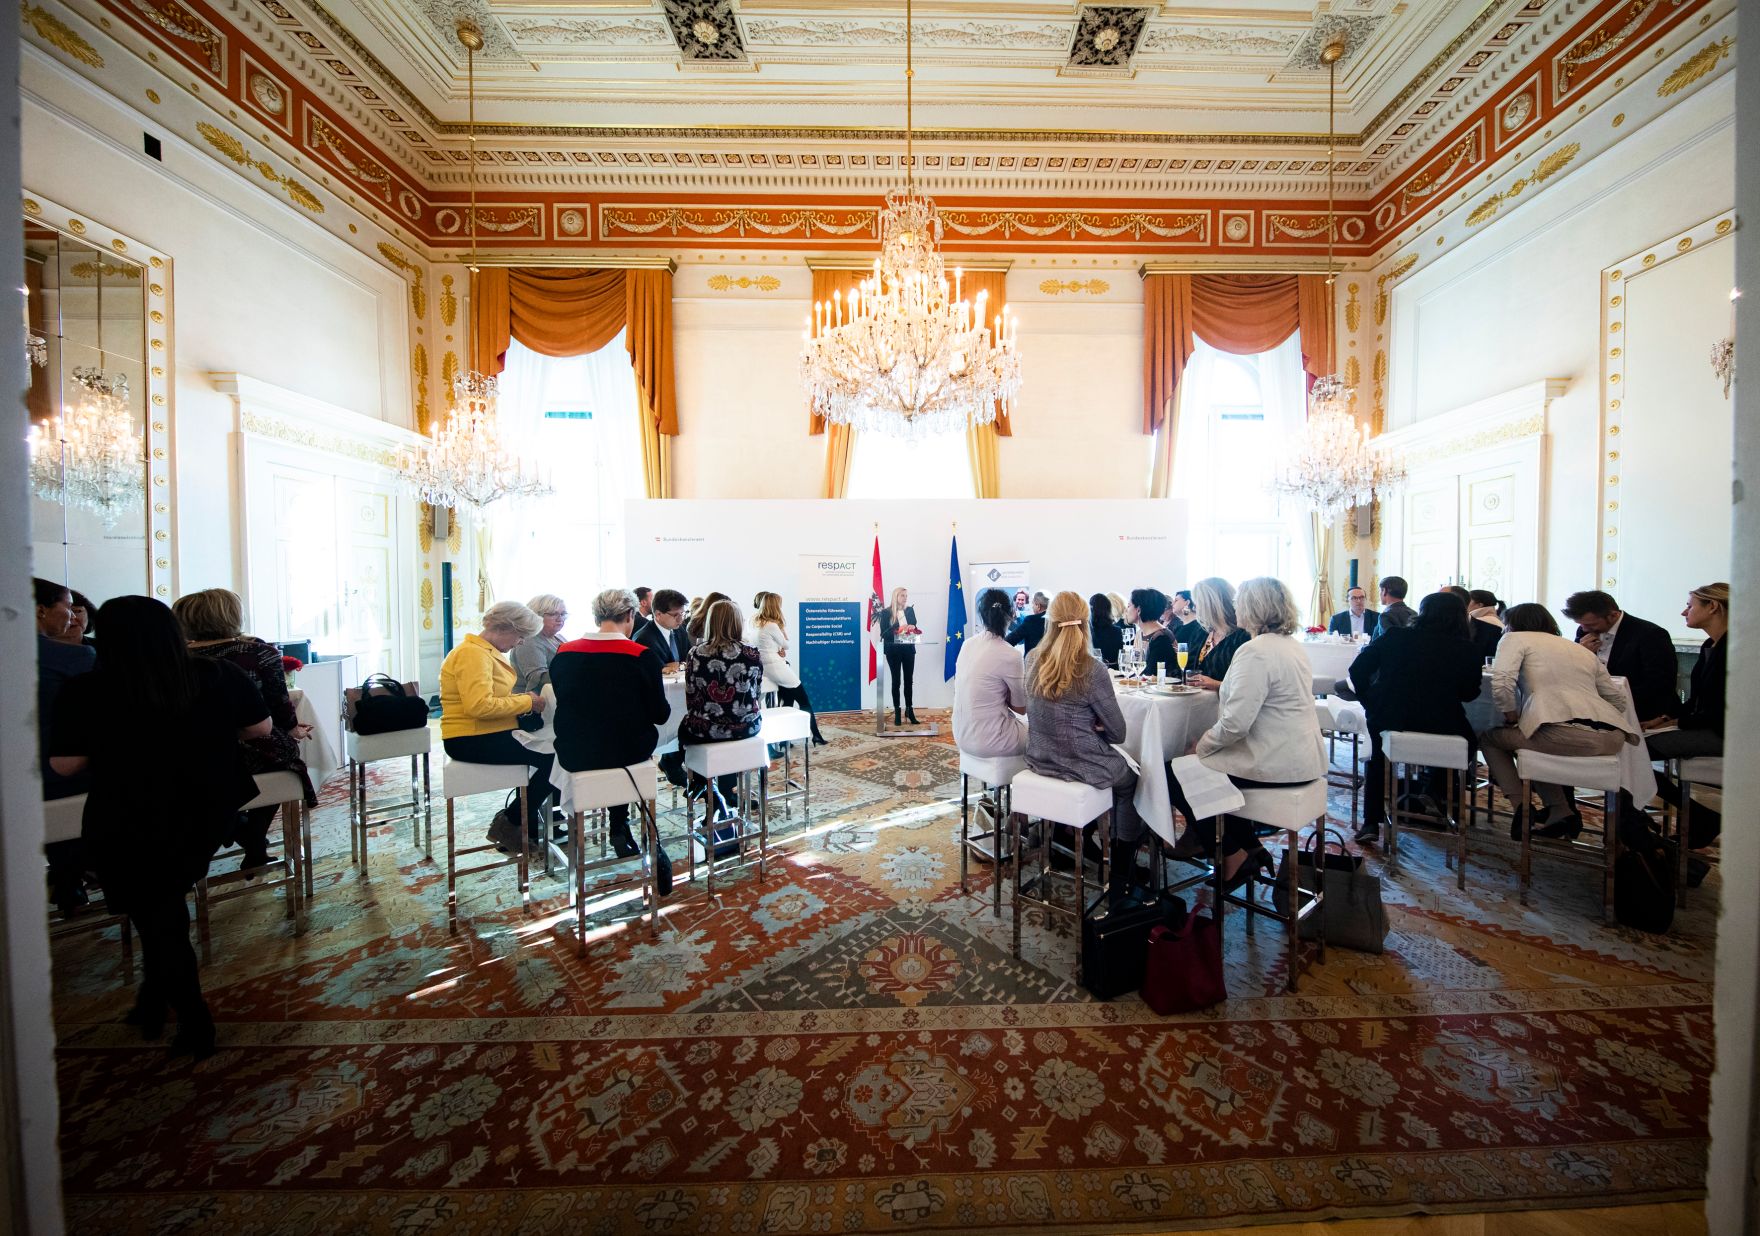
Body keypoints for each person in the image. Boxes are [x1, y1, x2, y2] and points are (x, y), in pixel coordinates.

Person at [50, 596, 273, 1059]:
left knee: (159, 916)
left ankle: (194, 1021)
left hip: (130, 815)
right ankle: (153, 998)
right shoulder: (216, 675)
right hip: (206, 811)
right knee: (159, 909)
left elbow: (66, 764)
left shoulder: (88, 690)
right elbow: (261, 729)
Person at [1177, 578, 1327, 887]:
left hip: (1275, 762)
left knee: (1176, 770)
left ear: (1252, 608)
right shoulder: (1291, 646)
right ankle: (1252, 847)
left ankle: (1232, 853)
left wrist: (1200, 746)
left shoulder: (1255, 652)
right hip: (1302, 757)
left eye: (1239, 603)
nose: (1235, 607)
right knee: (1205, 771)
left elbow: (1235, 724)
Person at [173, 588, 318, 870]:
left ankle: (241, 830)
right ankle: (251, 832)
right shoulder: (256, 652)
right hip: (246, 750)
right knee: (284, 754)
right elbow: (278, 703)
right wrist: (291, 730)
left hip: (190, 753)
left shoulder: (175, 657)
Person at [1025, 592, 1147, 907]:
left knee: (1119, 777)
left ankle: (1069, 836)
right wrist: (1096, 725)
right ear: (1086, 621)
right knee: (1132, 782)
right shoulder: (1091, 669)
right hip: (1081, 762)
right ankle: (1122, 868)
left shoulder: (1032, 659)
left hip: (1040, 758)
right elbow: (1119, 733)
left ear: (1048, 621)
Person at [1478, 603, 1638, 839]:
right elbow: (1617, 698)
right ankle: (1560, 811)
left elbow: (1502, 683)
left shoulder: (1514, 639)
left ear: (1511, 625)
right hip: (1611, 737)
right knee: (1530, 738)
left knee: (1490, 738)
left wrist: (1510, 714)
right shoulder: (1578, 649)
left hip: (1567, 735)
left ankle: (1521, 807)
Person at [551, 588, 673, 889]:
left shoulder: (564, 653)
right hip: (628, 752)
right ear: (631, 616)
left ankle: (611, 825)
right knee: (633, 738)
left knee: (607, 735)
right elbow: (660, 714)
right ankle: (621, 823)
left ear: (596, 616)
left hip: (576, 752)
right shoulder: (641, 656)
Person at [1344, 592, 1484, 845]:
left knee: (1377, 756)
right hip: (1442, 720)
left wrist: (1369, 700)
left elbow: (1357, 670)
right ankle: (1436, 790)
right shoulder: (1468, 650)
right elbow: (1469, 693)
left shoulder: (1397, 636)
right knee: (1471, 742)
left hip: (1392, 715)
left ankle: (1371, 822)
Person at [439, 600, 553, 849]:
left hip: (485, 732)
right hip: (470, 738)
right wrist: (525, 702)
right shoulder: (472, 654)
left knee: (552, 752)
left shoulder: (481, 652)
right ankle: (512, 822)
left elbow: (491, 698)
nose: (519, 643)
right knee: (555, 759)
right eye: (520, 636)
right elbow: (479, 706)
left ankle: (525, 822)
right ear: (506, 629)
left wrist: (522, 701)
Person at [1641, 582, 1728, 856]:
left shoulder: (1732, 648)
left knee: (1634, 751)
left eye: (1690, 605)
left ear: (1712, 606)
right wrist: (1665, 719)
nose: (1684, 612)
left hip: (1723, 732)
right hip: (1708, 726)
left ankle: (1698, 815)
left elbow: (1721, 710)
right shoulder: (1710, 645)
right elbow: (1695, 701)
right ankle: (1697, 814)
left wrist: (1678, 724)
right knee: (1633, 747)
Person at [36, 578, 96, 913]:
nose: (73, 617)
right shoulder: (72, 657)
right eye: (67, 607)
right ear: (41, 610)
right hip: (57, 779)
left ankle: (68, 876)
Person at [680, 599, 765, 817]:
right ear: (738, 623)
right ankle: (724, 789)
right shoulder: (751, 653)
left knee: (684, 732)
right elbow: (756, 692)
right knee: (726, 742)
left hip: (708, 730)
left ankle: (704, 785)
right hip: (748, 727)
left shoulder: (696, 653)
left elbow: (691, 698)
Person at [1562, 589, 1680, 725]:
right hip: (1594, 707)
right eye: (1580, 624)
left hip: (1640, 710)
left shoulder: (1650, 634)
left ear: (1613, 615)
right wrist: (1581, 654)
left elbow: (1660, 683)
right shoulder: (1584, 630)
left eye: (1591, 624)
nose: (1584, 629)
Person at [953, 588, 1028, 758]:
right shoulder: (1011, 654)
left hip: (961, 735)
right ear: (1011, 614)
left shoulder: (967, 644)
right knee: (1044, 732)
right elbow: (1021, 708)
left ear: (982, 614)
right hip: (992, 741)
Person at [754, 592, 828, 745]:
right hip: (777, 666)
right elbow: (786, 644)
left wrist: (778, 646)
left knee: (787, 700)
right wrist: (781, 639)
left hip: (765, 667)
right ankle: (815, 734)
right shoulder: (772, 625)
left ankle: (784, 739)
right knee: (804, 700)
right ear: (774, 606)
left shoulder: (756, 624)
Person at [1186, 577, 1250, 690]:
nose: (1195, 608)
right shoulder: (1201, 632)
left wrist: (1216, 684)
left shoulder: (1242, 636)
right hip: (1196, 701)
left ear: (1212, 604)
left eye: (1198, 603)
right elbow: (1188, 668)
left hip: (1222, 703)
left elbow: (1245, 685)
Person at [879, 586, 922, 726]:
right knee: (896, 681)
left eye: (906, 595)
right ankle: (897, 711)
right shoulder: (885, 613)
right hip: (893, 651)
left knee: (909, 681)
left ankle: (909, 710)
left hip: (908, 649)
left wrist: (911, 628)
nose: (905, 598)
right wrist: (898, 628)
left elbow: (914, 626)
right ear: (896, 596)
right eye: (902, 595)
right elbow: (884, 634)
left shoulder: (910, 610)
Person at [510, 594, 568, 693]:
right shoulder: (529, 640)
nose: (560, 618)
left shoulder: (559, 637)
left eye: (563, 614)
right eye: (553, 614)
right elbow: (537, 679)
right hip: (532, 703)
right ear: (536, 616)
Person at [634, 588, 693, 667]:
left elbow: (690, 659)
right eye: (675, 615)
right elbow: (652, 669)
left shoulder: (680, 630)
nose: (680, 620)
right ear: (658, 614)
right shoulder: (643, 639)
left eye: (682, 613)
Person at [1127, 587, 1175, 678]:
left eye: (1129, 606)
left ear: (1139, 610)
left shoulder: (1161, 638)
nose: (1126, 610)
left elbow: (1151, 675)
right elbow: (1135, 671)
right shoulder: (1140, 634)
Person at [1467, 589, 1504, 662]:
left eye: (1468, 600)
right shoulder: (1492, 618)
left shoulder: (1484, 622)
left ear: (1479, 605)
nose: (1465, 603)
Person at [1088, 593, 1123, 668]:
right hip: (1116, 671)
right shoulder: (1117, 631)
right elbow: (1119, 655)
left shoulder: (1089, 631)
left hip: (1095, 671)